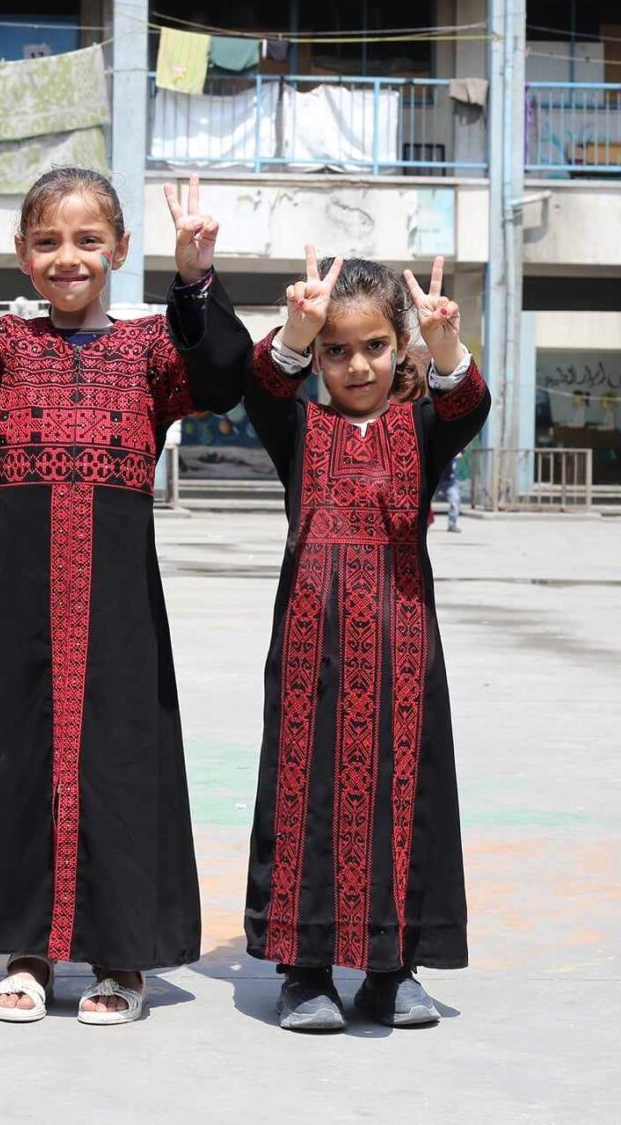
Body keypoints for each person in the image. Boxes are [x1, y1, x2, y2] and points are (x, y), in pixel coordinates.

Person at [0, 168, 251, 1025]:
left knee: (122, 758)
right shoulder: (9, 345)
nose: (69, 258)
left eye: (88, 240)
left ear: (119, 250)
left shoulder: (151, 351)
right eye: (49, 243)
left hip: (118, 597)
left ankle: (121, 958)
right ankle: (27, 950)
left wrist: (195, 276)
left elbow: (221, 376)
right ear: (25, 257)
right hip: (24, 592)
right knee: (23, 754)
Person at [242, 249, 490, 1031]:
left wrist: (445, 346)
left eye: (375, 346)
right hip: (310, 654)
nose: (356, 365)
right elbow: (260, 385)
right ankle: (304, 972)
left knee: (403, 800)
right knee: (305, 801)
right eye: (336, 349)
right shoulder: (298, 425)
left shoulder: (420, 427)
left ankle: (392, 971)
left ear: (400, 344)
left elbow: (468, 408)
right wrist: (294, 328)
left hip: (404, 653)